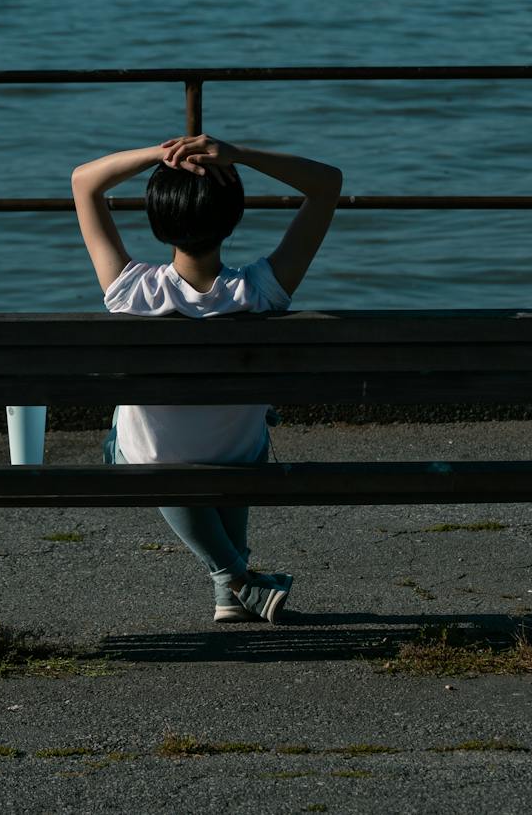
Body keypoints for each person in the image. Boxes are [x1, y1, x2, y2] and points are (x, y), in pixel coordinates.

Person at [71, 134, 342, 624]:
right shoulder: (262, 291)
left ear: (157, 221)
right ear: (234, 218)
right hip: (239, 455)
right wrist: (239, 154)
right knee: (239, 431)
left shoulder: (131, 292)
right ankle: (233, 587)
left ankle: (234, 581)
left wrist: (160, 153)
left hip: (153, 463)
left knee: (136, 442)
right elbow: (327, 185)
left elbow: (84, 182)